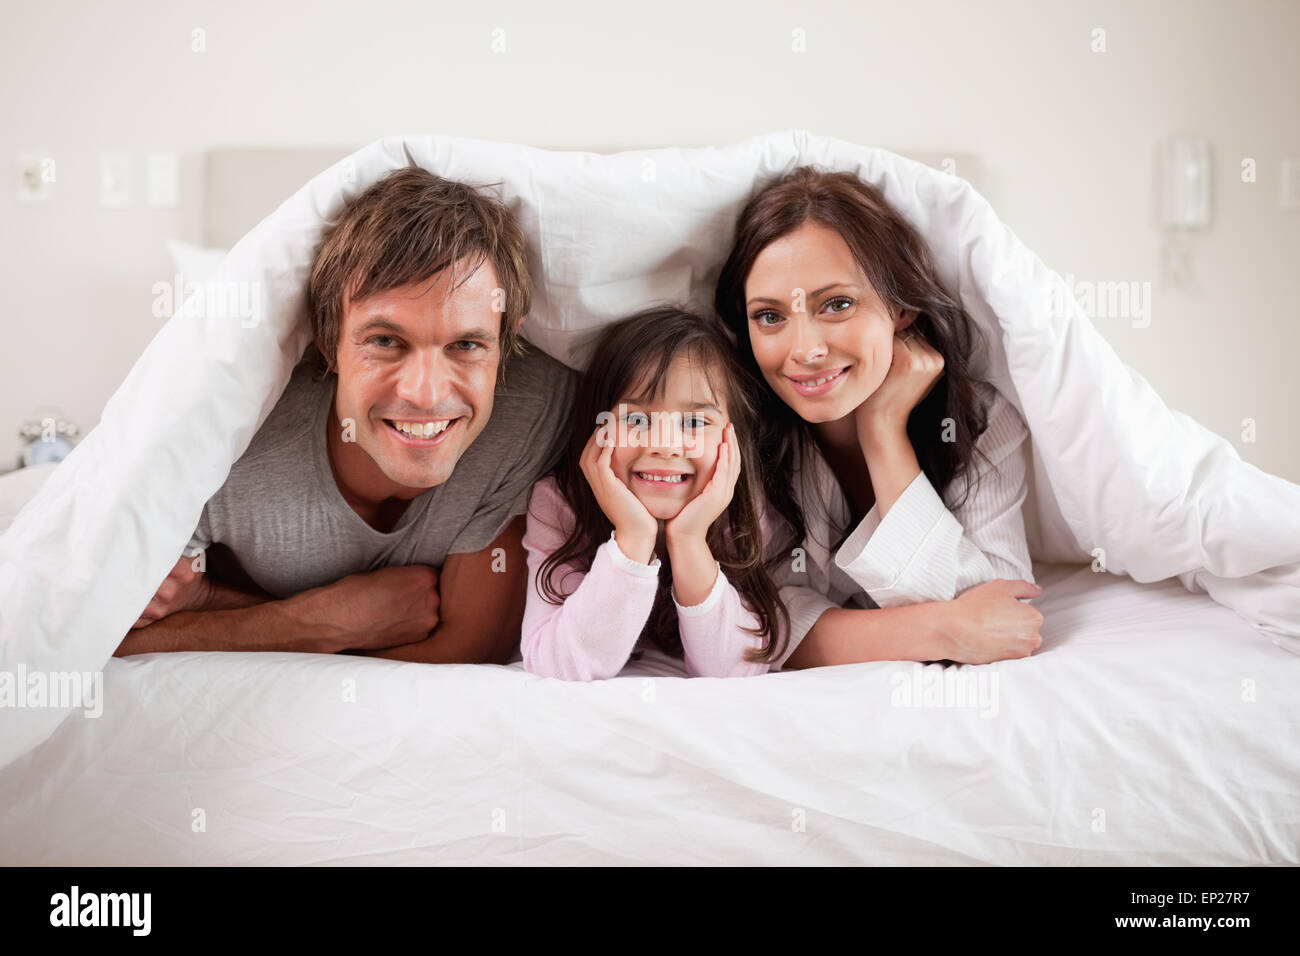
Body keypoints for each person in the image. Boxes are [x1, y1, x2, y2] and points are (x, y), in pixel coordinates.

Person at [116, 167, 577, 663]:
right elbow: (88, 642)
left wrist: (216, 607)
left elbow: (461, 650)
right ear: (328, 340)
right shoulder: (226, 439)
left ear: (506, 346)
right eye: (385, 341)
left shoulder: (533, 407)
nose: (425, 394)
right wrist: (315, 622)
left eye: (466, 345)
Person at [714, 166, 1046, 667]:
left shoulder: (978, 418)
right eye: (770, 316)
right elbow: (751, 622)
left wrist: (884, 433)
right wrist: (942, 629)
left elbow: (1002, 615)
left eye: (837, 305)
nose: (804, 350)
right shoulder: (736, 432)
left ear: (900, 308)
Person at [520, 306, 836, 679]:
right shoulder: (560, 502)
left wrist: (689, 541)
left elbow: (732, 670)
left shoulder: (737, 505)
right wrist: (633, 539)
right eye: (636, 420)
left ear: (731, 441)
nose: (666, 446)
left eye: (694, 422)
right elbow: (557, 665)